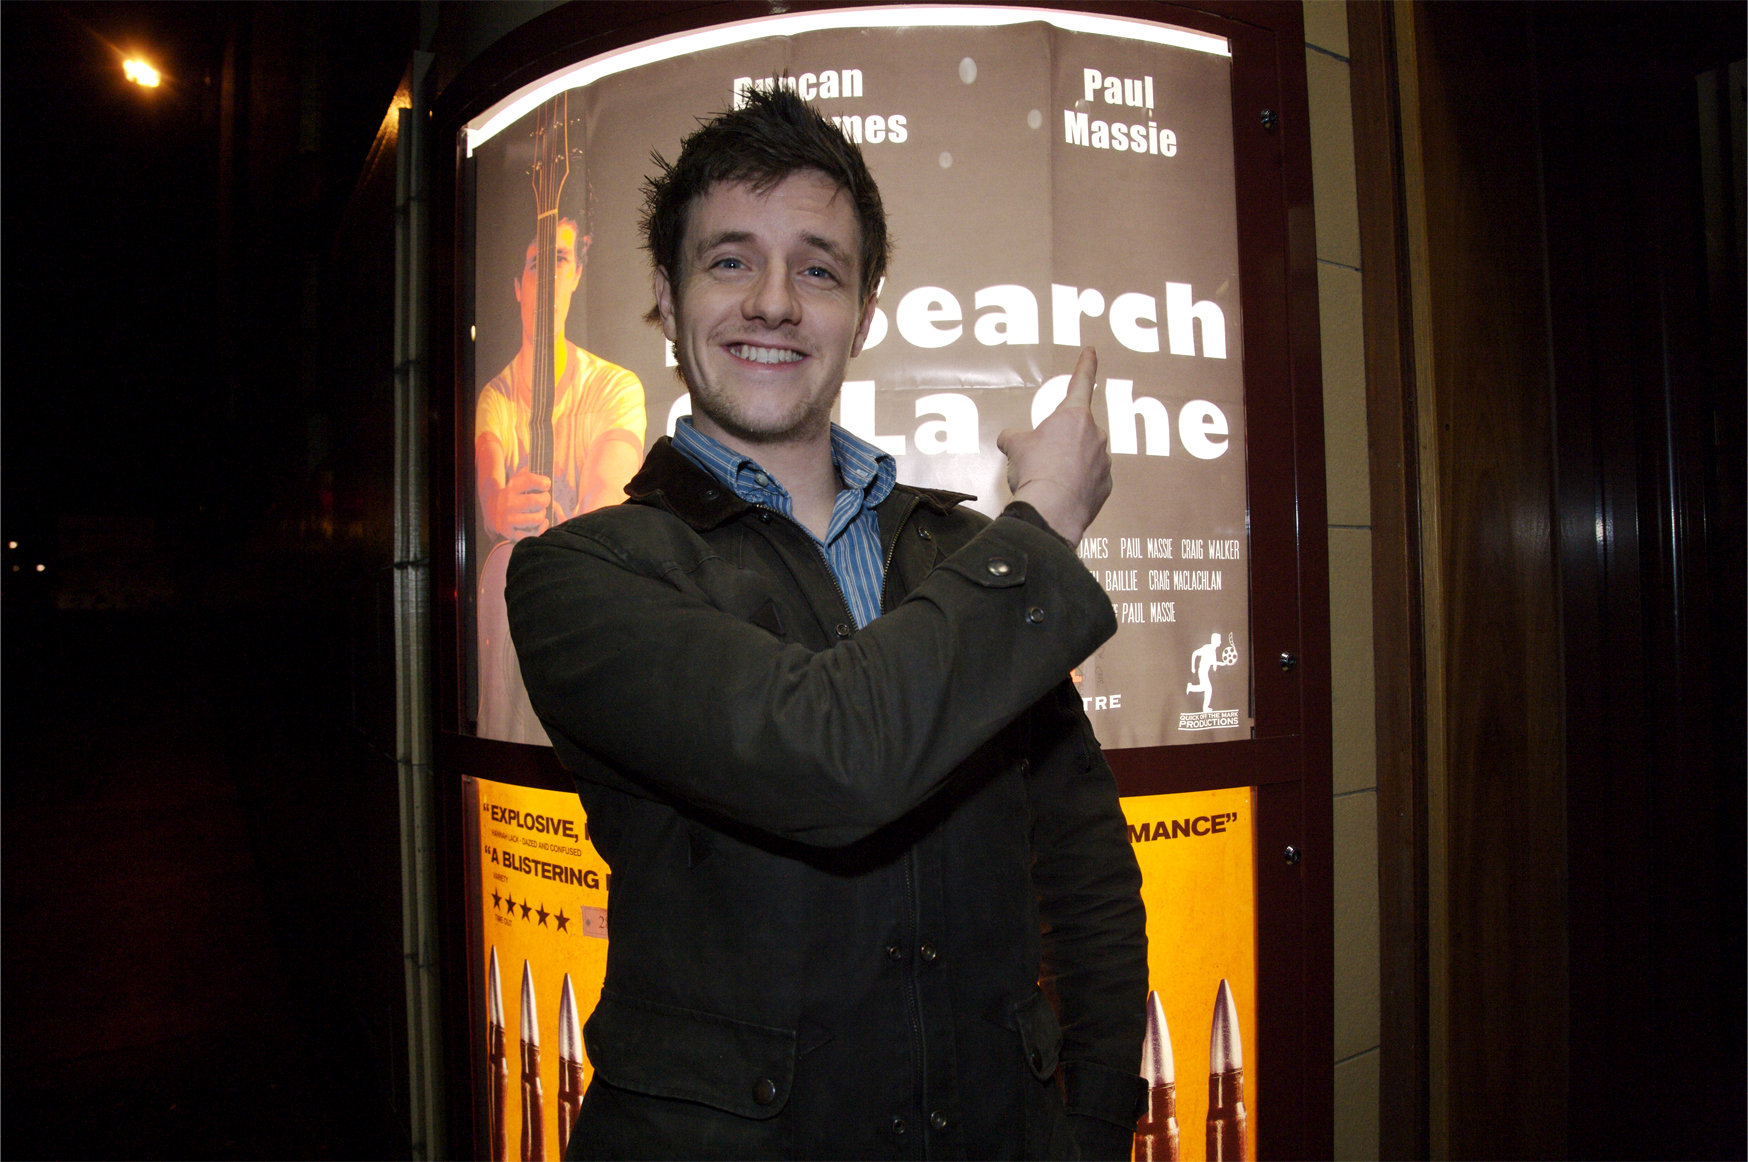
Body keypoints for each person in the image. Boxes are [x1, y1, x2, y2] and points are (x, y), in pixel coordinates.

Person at [506, 88, 1146, 1159]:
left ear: (864, 307)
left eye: (816, 268)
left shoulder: (956, 561)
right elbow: (827, 755)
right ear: (663, 296)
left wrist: (1086, 1125)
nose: (772, 302)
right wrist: (1038, 522)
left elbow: (1083, 873)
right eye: (727, 261)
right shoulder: (583, 574)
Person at [476, 216, 646, 743]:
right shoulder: (497, 398)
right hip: (524, 590)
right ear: (517, 287)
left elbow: (605, 504)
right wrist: (503, 508)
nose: (547, 276)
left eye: (560, 259)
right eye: (535, 263)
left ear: (575, 276)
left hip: (588, 591)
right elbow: (491, 499)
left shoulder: (615, 386)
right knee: (505, 564)